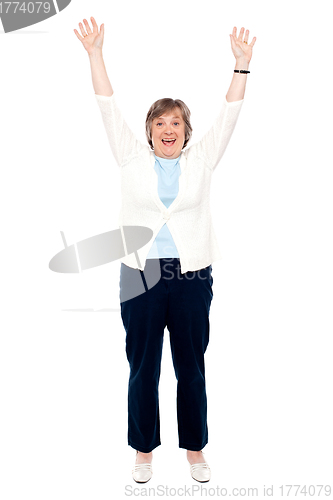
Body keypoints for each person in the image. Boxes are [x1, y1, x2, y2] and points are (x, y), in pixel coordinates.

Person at [74, 17, 256, 483]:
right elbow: (107, 106)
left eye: (176, 122)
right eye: (160, 122)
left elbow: (229, 114)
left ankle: (195, 450)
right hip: (140, 276)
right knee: (143, 368)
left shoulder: (202, 159)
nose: (168, 129)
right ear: (150, 130)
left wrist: (241, 67)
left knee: (191, 367)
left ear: (186, 131)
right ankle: (143, 450)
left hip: (193, 275)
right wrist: (95, 54)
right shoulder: (131, 157)